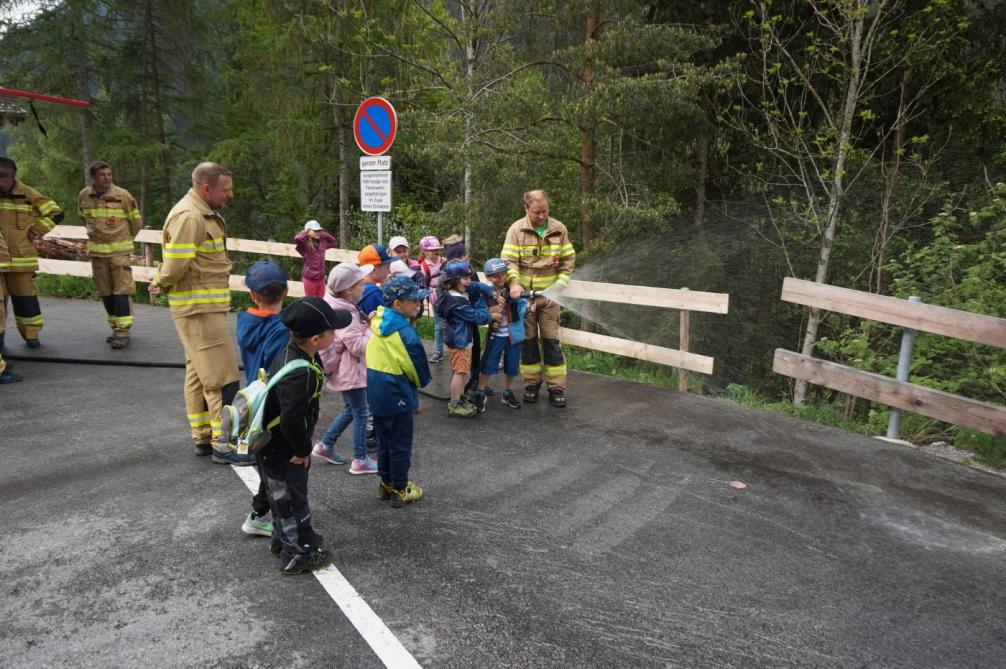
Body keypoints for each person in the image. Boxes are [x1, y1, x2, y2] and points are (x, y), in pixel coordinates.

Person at [148, 162, 253, 465]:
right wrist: (161, 280)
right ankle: (224, 443)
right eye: (226, 189)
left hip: (202, 307)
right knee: (221, 378)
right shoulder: (190, 217)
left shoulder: (200, 213)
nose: (230, 195)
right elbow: (176, 264)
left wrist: (163, 280)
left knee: (199, 373)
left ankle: (204, 435)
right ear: (206, 188)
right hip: (198, 308)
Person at [259, 297, 351, 574]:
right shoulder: (301, 374)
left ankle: (282, 540)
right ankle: (297, 553)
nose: (335, 334)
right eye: (331, 331)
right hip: (284, 448)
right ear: (314, 339)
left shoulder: (292, 352)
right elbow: (290, 418)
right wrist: (301, 450)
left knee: (279, 495)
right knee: (291, 499)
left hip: (270, 442)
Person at [501, 189, 576, 408]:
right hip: (525, 299)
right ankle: (531, 384)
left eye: (545, 211)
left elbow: (568, 261)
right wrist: (514, 284)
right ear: (526, 209)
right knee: (529, 342)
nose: (542, 216)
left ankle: (556, 388)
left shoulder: (559, 229)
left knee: (552, 343)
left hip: (550, 300)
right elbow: (509, 262)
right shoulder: (516, 230)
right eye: (537, 212)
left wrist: (558, 289)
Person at [366, 275, 432, 507]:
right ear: (397, 304)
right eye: (413, 300)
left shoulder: (379, 320)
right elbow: (417, 368)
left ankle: (386, 483)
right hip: (397, 394)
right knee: (400, 443)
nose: (418, 304)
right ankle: (401, 488)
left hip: (376, 393)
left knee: (384, 441)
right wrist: (421, 382)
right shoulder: (404, 332)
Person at [235, 260, 290, 539]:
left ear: (252, 294)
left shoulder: (245, 321)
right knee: (275, 467)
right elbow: (279, 366)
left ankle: (261, 512)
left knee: (268, 464)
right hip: (271, 405)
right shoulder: (280, 330)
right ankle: (266, 517)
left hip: (253, 400)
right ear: (287, 290)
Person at [315, 262, 377, 474]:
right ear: (349, 290)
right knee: (361, 412)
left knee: (352, 410)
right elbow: (359, 347)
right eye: (361, 284)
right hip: (351, 371)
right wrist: (371, 329)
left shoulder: (337, 304)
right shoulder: (345, 314)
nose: (365, 286)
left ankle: (326, 445)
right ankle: (360, 459)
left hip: (344, 371)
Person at [77, 161, 143, 349]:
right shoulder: (84, 195)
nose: (107, 178)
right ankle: (115, 327)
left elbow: (135, 222)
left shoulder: (122, 195)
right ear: (93, 177)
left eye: (109, 174)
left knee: (121, 291)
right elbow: (83, 217)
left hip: (119, 253)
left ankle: (123, 331)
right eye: (102, 175)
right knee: (105, 292)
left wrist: (124, 239)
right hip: (98, 254)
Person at [0, 156, 63, 350]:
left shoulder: (27, 193)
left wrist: (36, 230)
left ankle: (31, 335)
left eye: (1, 175)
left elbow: (56, 213)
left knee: (26, 300)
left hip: (22, 258)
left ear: (12, 175)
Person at [434, 259, 499, 418]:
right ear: (453, 281)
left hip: (463, 340)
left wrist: (491, 292)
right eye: (465, 278)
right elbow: (475, 316)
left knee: (462, 372)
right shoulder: (457, 302)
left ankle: (461, 397)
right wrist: (491, 315)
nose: (469, 282)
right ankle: (455, 404)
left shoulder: (459, 293)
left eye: (469, 277)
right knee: (460, 373)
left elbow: (477, 286)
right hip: (460, 343)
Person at [473, 258, 528, 411]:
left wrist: (529, 308)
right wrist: (492, 311)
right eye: (496, 276)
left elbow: (522, 308)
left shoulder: (514, 289)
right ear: (488, 277)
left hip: (514, 336)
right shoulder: (485, 293)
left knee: (512, 366)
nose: (501, 278)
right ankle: (481, 392)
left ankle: (508, 392)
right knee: (488, 365)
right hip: (495, 336)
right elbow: (479, 312)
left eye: (503, 274)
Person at [293, 220, 338, 298]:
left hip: (321, 278)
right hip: (310, 279)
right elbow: (297, 238)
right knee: (311, 302)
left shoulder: (322, 244)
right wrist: (306, 232)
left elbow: (334, 242)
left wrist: (322, 234)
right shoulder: (304, 245)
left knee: (321, 301)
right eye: (315, 230)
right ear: (308, 231)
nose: (318, 232)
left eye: (319, 230)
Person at [419, 236, 446, 363]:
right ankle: (438, 351)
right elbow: (423, 285)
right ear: (424, 251)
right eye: (432, 250)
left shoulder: (444, 261)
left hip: (448, 294)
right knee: (439, 324)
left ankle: (456, 347)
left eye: (437, 249)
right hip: (435, 296)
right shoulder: (423, 267)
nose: (436, 252)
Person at [356, 243, 394, 316]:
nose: (389, 271)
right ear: (373, 269)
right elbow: (386, 323)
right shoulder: (373, 293)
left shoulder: (354, 286)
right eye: (387, 267)